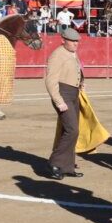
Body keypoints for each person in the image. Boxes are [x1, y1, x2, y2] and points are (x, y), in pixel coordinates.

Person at [44, 28, 84, 180]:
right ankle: (54, 162)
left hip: (73, 94)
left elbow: (75, 71)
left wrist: (81, 83)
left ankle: (67, 166)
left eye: (77, 41)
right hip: (63, 94)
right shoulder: (57, 55)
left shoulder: (71, 53)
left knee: (69, 130)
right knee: (72, 130)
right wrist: (58, 101)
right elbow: (51, 80)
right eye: (72, 41)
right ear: (63, 40)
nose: (75, 44)